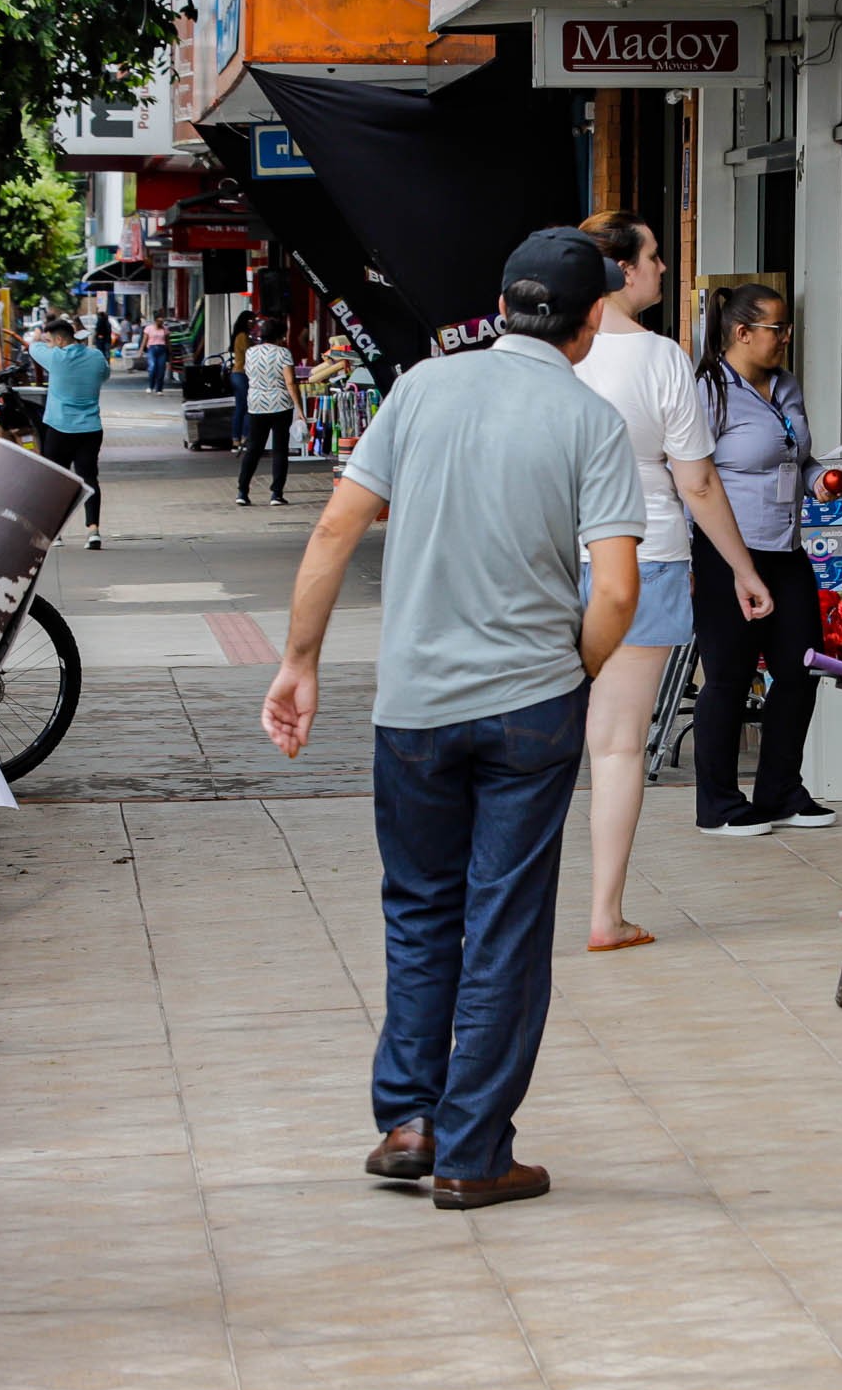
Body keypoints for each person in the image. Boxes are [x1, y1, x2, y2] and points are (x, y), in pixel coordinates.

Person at [262, 228, 642, 1211]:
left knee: (421, 907)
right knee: (505, 921)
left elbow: (336, 524)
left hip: (415, 708)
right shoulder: (590, 419)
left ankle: (411, 1119)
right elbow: (616, 590)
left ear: (506, 303)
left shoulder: (423, 386)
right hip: (530, 706)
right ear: (591, 318)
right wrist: (577, 669)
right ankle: (474, 1149)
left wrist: (299, 660)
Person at [571, 212, 774, 951]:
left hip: (544, 560)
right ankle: (604, 915)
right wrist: (744, 569)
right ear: (623, 269)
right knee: (619, 746)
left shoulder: (535, 351)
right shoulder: (658, 358)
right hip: (641, 554)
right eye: (655, 256)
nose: (664, 268)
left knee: (526, 739)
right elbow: (697, 482)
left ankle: (499, 917)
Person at [687, 284, 838, 837]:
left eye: (787, 328)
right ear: (742, 332)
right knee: (727, 676)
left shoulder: (786, 386)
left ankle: (780, 791)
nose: (785, 338)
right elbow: (692, 476)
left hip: (786, 548)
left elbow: (795, 455)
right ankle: (719, 805)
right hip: (728, 551)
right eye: (776, 328)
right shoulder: (708, 390)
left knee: (802, 669)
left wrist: (816, 476)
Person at [28, 314, 111, 550]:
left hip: (59, 428)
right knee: (89, 478)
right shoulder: (96, 357)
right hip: (90, 429)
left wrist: (37, 336)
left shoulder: (56, 357)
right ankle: (93, 531)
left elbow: (33, 347)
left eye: (51, 341)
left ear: (59, 340)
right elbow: (104, 375)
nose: (50, 345)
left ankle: (56, 533)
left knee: (56, 480)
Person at [235, 316, 298, 506]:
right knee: (280, 450)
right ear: (280, 335)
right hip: (281, 404)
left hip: (256, 405)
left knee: (253, 448)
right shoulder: (284, 353)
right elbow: (290, 382)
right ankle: (276, 494)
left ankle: (242, 492)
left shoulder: (251, 352)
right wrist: (300, 408)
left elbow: (248, 373)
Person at [142, 310, 171, 392]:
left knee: (161, 369)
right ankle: (151, 386)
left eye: (162, 321)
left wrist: (170, 352)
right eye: (159, 321)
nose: (161, 323)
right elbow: (144, 340)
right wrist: (141, 350)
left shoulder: (165, 329)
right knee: (152, 367)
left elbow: (168, 341)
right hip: (152, 349)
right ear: (155, 321)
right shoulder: (148, 328)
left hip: (162, 349)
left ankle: (159, 389)